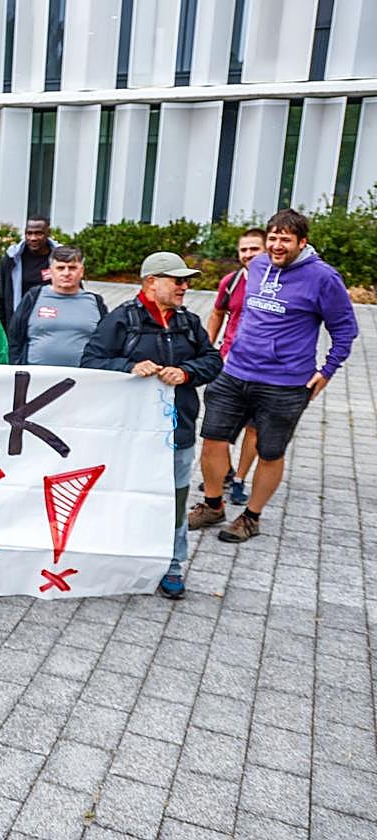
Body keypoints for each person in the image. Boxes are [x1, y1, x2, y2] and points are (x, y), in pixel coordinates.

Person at [189, 209, 358, 543]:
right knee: (212, 439)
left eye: (286, 239)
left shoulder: (324, 278)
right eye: (273, 238)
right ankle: (213, 505)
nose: (278, 245)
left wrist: (326, 372)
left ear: (302, 242)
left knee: (270, 451)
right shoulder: (259, 266)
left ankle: (251, 517)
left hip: (285, 383)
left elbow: (345, 329)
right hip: (234, 372)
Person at [81, 252, 222, 599]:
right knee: (127, 496)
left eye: (186, 281)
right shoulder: (121, 320)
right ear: (151, 282)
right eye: (177, 280)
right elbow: (91, 362)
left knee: (174, 500)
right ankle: (122, 561)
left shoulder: (188, 322)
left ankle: (173, 566)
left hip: (179, 430)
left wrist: (187, 372)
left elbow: (212, 360)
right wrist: (128, 367)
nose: (185, 287)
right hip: (131, 434)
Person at [202, 228, 266, 505]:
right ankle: (223, 472)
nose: (248, 254)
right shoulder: (231, 281)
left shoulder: (278, 283)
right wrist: (207, 348)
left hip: (264, 369)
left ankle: (239, 479)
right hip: (228, 364)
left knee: (254, 429)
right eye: (244, 250)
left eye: (254, 248)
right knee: (219, 428)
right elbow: (218, 313)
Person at [7, 245, 107, 366]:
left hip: (83, 379)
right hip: (36, 378)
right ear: (50, 271)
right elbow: (14, 339)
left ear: (81, 271)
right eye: (60, 268)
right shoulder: (33, 297)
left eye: (72, 268)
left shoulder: (95, 302)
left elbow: (106, 343)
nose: (66, 273)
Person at [0, 215, 58, 329]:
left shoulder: (60, 259)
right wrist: (4, 329)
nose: (33, 238)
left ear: (48, 233)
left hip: (52, 324)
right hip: (20, 324)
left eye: (38, 233)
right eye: (29, 233)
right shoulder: (12, 258)